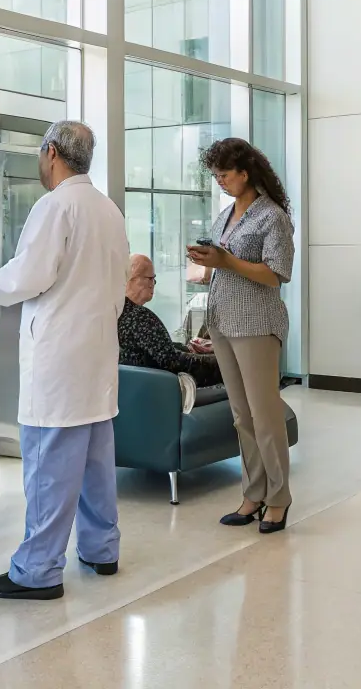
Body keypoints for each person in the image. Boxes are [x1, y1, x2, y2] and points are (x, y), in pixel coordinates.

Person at [0, 120, 130, 601]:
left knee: (48, 467)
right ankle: (102, 550)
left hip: (60, 360)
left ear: (51, 153)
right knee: (97, 463)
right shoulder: (107, 209)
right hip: (97, 355)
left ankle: (36, 571)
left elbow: (28, 277)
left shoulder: (55, 206)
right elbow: (119, 279)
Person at [186, 138, 296, 535]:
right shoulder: (226, 215)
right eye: (215, 175)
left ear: (245, 173)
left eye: (224, 174)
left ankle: (279, 499)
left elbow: (276, 273)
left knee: (265, 416)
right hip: (222, 319)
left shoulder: (273, 217)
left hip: (257, 323)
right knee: (242, 415)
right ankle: (253, 494)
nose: (219, 181)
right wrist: (206, 262)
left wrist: (226, 260)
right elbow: (223, 264)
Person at [119, 254, 222, 387]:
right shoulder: (139, 318)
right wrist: (222, 363)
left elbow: (157, 349)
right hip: (159, 391)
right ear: (131, 278)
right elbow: (173, 362)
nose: (152, 284)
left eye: (153, 279)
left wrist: (186, 348)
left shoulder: (120, 313)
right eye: (149, 278)